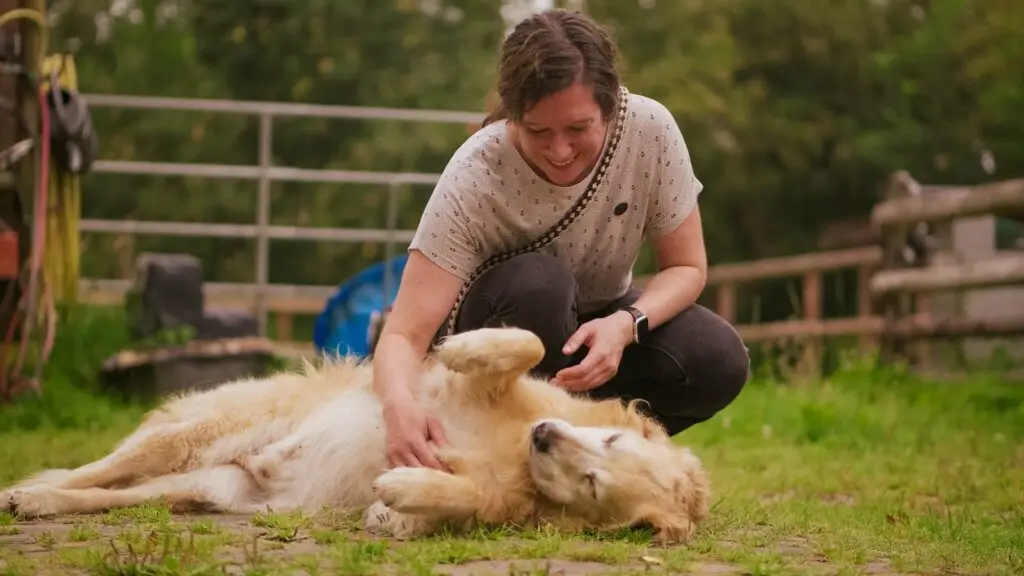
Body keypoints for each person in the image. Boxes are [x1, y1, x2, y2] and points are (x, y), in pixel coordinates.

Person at [371, 8, 750, 471]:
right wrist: (398, 406)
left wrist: (627, 324)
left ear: (611, 106)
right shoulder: (475, 173)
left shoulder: (651, 131)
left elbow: (686, 267)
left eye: (578, 128)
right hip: (502, 333)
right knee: (542, 286)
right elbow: (406, 334)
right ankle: (506, 450)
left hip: (601, 326)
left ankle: (592, 453)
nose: (560, 150)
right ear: (512, 115)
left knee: (718, 359)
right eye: (538, 131)